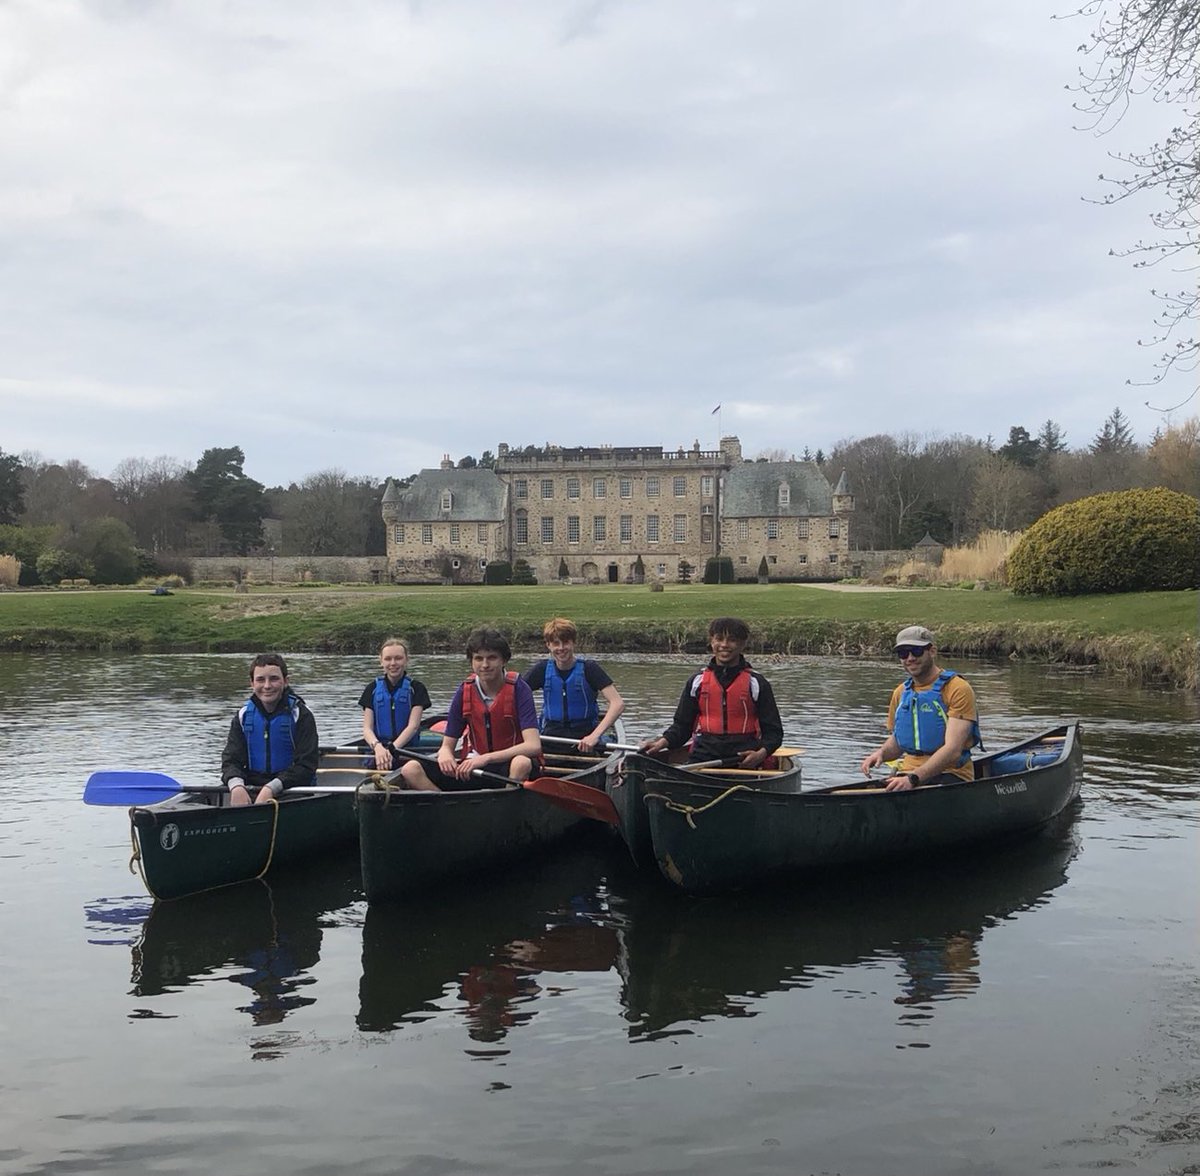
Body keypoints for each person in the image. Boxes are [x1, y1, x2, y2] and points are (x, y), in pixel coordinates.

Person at [400, 628, 542, 791]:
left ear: (504, 660)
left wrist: (486, 759)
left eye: (492, 658)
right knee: (410, 769)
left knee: (521, 763)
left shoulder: (519, 689)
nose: (485, 665)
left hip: (508, 766)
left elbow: (533, 745)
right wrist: (446, 755)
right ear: (472, 662)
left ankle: (504, 807)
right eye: (478, 659)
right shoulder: (464, 691)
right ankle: (445, 806)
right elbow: (447, 745)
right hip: (475, 766)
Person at [640, 616, 783, 768]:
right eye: (719, 639)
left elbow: (774, 733)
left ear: (743, 644)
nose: (724, 645)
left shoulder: (757, 684)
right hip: (704, 757)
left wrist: (760, 754)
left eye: (732, 640)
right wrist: (661, 743)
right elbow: (682, 727)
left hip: (743, 760)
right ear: (711, 641)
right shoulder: (697, 682)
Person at [859, 625, 982, 792]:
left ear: (932, 651)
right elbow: (898, 742)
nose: (909, 658)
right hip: (908, 774)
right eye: (903, 653)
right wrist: (881, 753)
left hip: (951, 774)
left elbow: (953, 750)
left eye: (916, 651)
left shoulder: (958, 689)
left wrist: (914, 779)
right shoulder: (900, 693)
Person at [221, 653, 319, 807]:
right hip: (251, 788)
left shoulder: (301, 715)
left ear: (285, 681)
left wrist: (271, 788)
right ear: (252, 684)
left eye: (274, 679)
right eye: (260, 680)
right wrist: (236, 786)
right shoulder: (243, 716)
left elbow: (306, 766)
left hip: (292, 790)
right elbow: (231, 761)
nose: (267, 686)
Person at [521, 617, 625, 753]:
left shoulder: (590, 669)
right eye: (556, 643)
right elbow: (514, 696)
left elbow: (618, 703)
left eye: (566, 642)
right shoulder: (541, 669)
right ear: (548, 645)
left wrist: (594, 736)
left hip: (585, 739)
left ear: (574, 643)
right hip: (550, 738)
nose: (561, 648)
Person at [358, 638, 433, 772]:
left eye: (398, 658)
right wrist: (378, 747)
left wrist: (392, 749)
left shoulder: (417, 688)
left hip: (408, 751)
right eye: (388, 659)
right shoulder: (372, 689)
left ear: (406, 660)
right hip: (378, 750)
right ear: (381, 661)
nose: (393, 663)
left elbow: (413, 726)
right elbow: (367, 729)